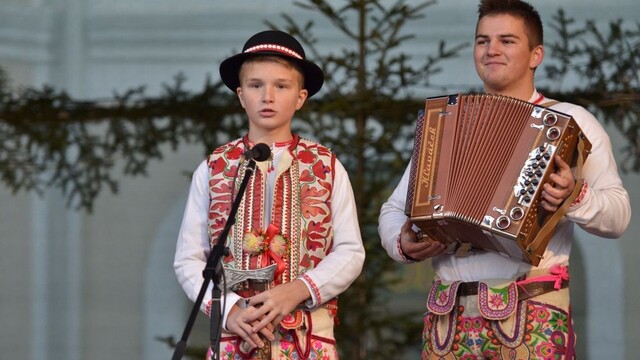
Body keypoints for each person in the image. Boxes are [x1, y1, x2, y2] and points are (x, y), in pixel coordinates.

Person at [378, 0, 631, 358]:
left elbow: (619, 216)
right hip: (449, 317)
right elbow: (393, 209)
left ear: (535, 55)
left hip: (532, 310)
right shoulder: (449, 121)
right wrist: (402, 243)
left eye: (507, 41)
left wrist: (574, 196)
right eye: (482, 41)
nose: (491, 50)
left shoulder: (572, 122)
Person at [174, 30, 365, 360]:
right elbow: (189, 259)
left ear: (301, 97)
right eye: (255, 85)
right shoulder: (215, 167)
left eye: (281, 86)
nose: (268, 96)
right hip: (235, 338)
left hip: (307, 339)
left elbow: (350, 251)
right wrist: (230, 310)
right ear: (240, 95)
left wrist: (298, 290)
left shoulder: (326, 166)